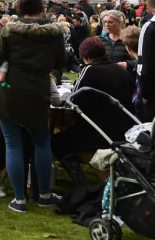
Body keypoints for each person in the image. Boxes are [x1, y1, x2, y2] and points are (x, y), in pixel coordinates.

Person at [0, 0, 65, 213]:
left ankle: (19, 200)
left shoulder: (9, 31)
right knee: (42, 142)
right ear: (42, 8)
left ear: (19, 9)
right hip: (38, 91)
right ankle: (44, 194)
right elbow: (61, 61)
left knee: (13, 143)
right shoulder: (55, 33)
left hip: (10, 92)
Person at [52, 37, 134, 185]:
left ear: (86, 57)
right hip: (124, 131)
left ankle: (81, 183)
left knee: (56, 141)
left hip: (99, 132)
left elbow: (74, 101)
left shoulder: (90, 70)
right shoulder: (121, 70)